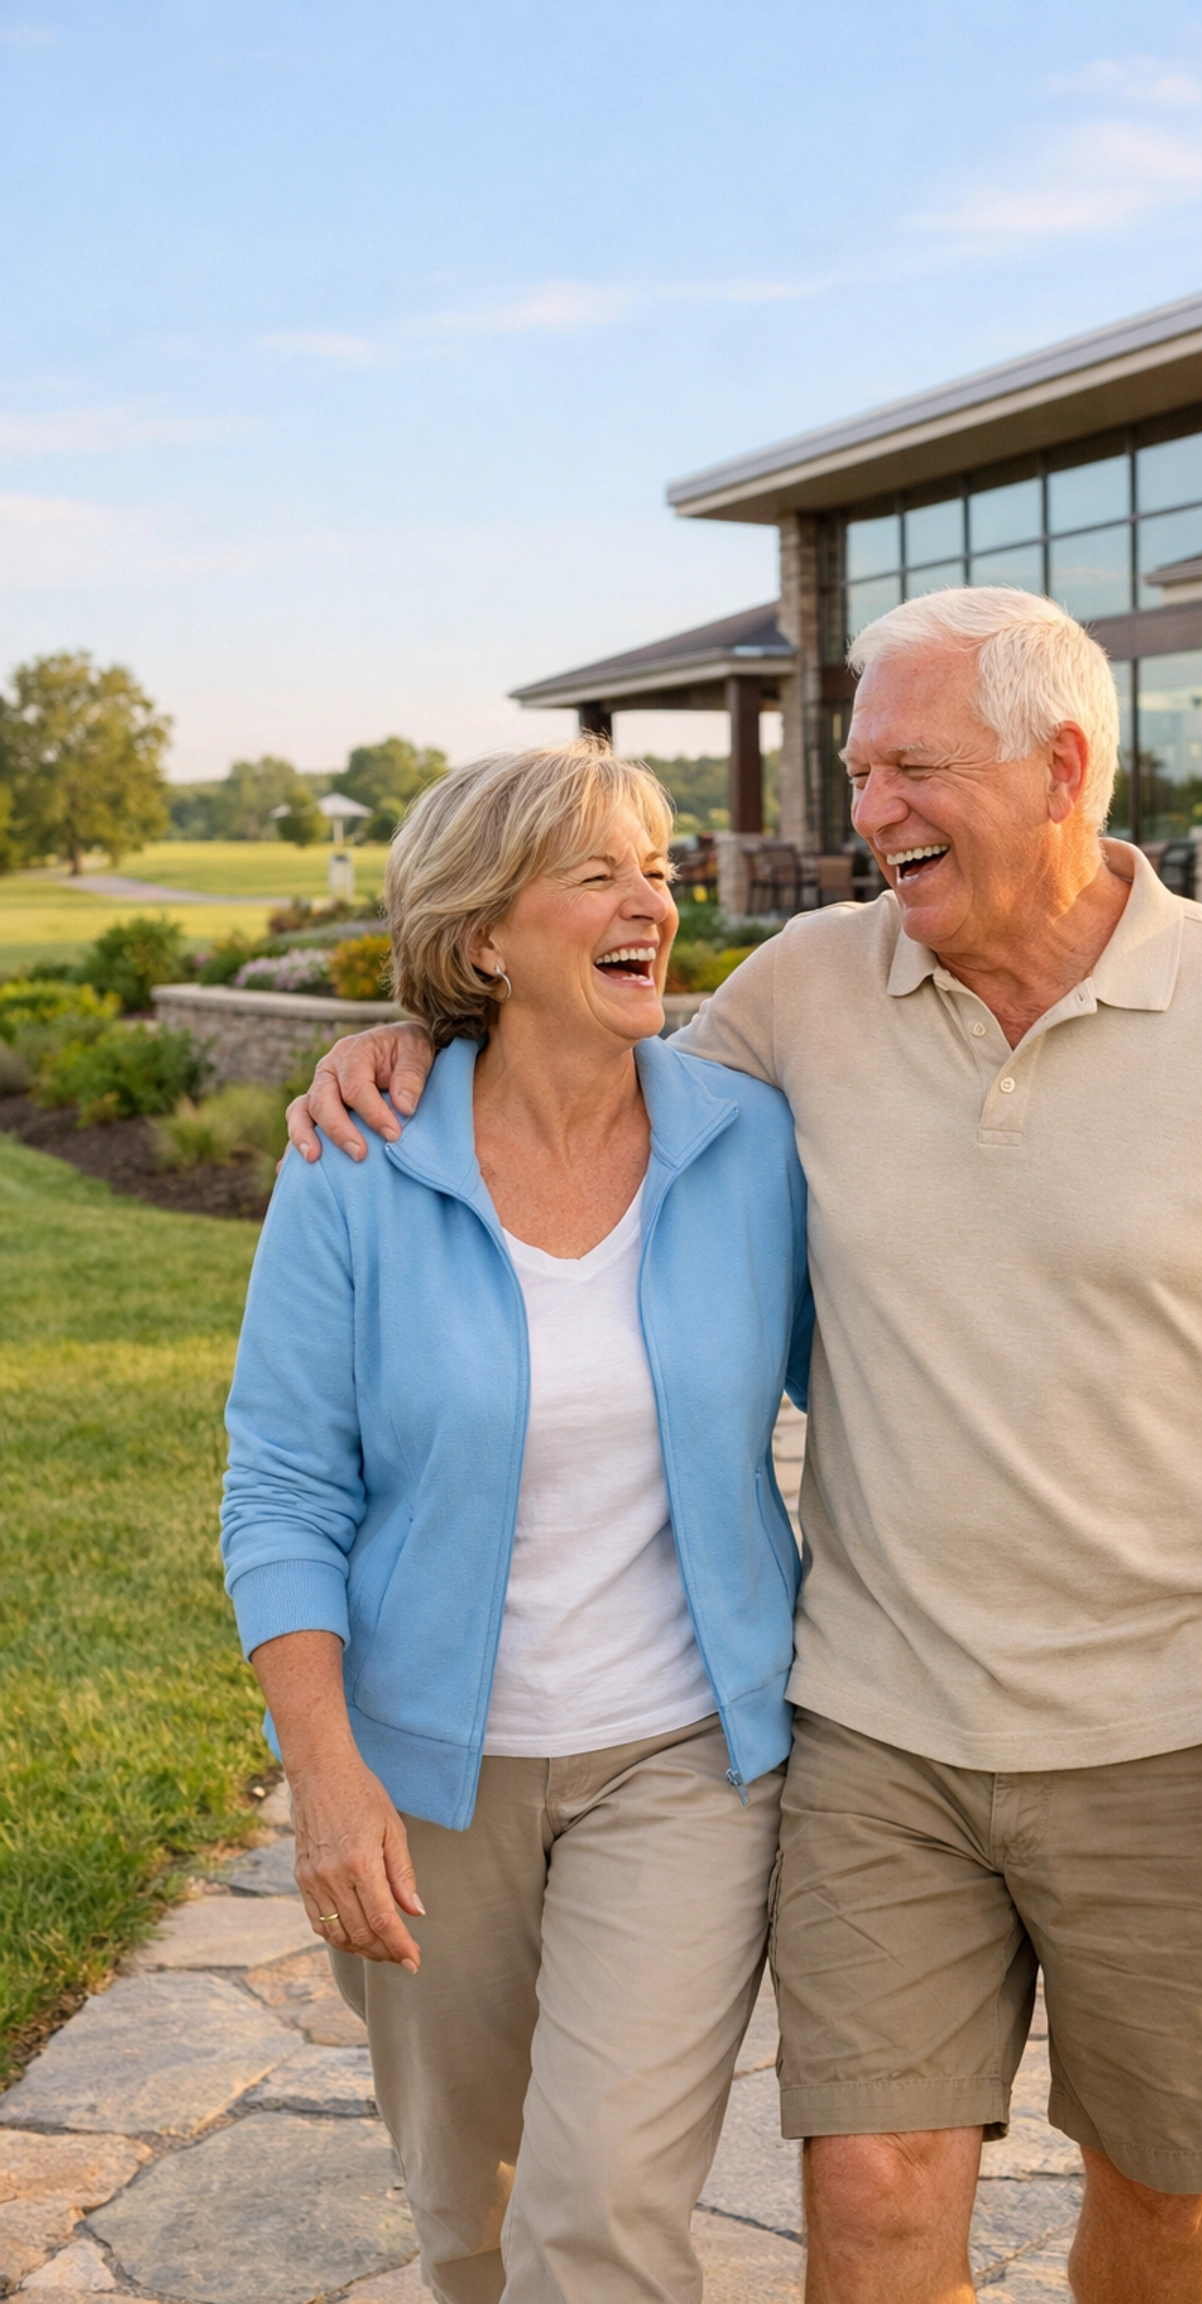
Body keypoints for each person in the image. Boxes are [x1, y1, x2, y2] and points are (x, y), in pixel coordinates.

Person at [290, 589, 1202, 2304]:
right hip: (879, 1723)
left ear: (1061, 769)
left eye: (911, 768)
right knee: (876, 2193)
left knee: (1162, 2180)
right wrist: (412, 1049)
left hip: (1182, 1722)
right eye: (856, 770)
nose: (870, 812)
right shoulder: (808, 990)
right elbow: (590, 1076)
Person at [224, 739, 811, 2304]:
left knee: (598, 2214)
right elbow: (282, 1482)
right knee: (468, 2224)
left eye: (663, 871)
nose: (653, 904)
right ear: (484, 935)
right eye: (602, 873)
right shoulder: (356, 1162)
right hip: (426, 1778)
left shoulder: (747, 1144)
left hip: (684, 1757)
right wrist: (328, 1781)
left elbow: (896, 1380)